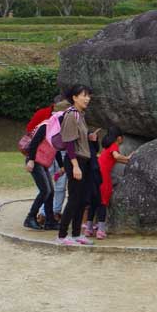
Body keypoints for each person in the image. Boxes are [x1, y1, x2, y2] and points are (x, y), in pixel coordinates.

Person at [55, 84, 97, 246]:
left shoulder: (81, 115)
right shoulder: (71, 115)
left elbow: (79, 138)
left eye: (88, 95)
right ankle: (62, 235)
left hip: (84, 160)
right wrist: (75, 166)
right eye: (84, 95)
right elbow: (69, 143)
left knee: (82, 199)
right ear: (74, 97)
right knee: (74, 199)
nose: (87, 98)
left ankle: (76, 234)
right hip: (76, 161)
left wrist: (89, 137)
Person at [90, 126, 131, 239]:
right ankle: (101, 230)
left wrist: (127, 160)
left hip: (95, 174)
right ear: (119, 138)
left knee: (94, 202)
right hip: (103, 176)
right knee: (103, 202)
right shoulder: (114, 146)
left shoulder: (106, 147)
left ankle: (88, 228)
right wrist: (128, 158)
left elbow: (114, 159)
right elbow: (116, 156)